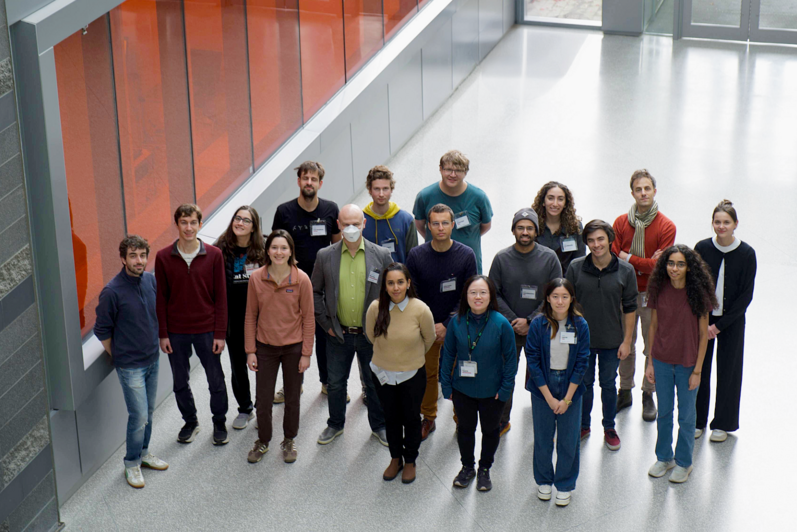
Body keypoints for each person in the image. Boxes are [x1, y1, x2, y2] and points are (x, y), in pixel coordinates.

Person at [312, 204, 393, 445]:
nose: (350, 229)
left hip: (371, 335)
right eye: (345, 224)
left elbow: (393, 292)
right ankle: (335, 424)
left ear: (364, 224)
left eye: (355, 224)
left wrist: (382, 325)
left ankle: (379, 425)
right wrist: (326, 324)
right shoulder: (325, 256)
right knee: (336, 383)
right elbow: (315, 292)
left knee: (374, 382)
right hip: (338, 333)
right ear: (338, 224)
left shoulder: (381, 255)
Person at [95, 235, 168, 489]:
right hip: (130, 367)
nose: (139, 260)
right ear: (123, 258)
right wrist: (119, 355)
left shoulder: (150, 280)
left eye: (142, 255)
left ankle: (144, 453)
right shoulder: (112, 291)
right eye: (133, 255)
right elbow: (102, 331)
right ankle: (131, 463)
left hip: (152, 359)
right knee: (138, 416)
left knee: (148, 412)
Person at [155, 204, 229, 446]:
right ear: (177, 224)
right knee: (180, 382)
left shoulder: (215, 255)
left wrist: (220, 333)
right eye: (183, 222)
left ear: (200, 224)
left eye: (193, 222)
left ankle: (219, 422)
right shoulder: (163, 257)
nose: (188, 227)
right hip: (176, 332)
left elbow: (221, 297)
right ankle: (191, 421)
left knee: (215, 379)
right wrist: (163, 334)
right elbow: (161, 298)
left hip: (207, 329)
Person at [406, 204, 478, 440]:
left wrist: (447, 324)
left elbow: (469, 294)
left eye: (445, 223)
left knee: (459, 374)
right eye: (435, 223)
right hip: (426, 329)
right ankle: (428, 417)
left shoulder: (466, 254)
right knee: (427, 375)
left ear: (452, 225)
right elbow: (412, 294)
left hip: (457, 327)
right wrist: (430, 326)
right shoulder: (416, 255)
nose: (440, 228)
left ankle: (461, 420)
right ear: (427, 226)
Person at [645, 245, 715, 484]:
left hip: (687, 364)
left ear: (689, 267)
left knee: (686, 416)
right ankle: (664, 457)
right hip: (662, 361)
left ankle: (684, 462)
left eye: (680, 264)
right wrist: (650, 363)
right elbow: (653, 327)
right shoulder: (658, 289)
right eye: (671, 263)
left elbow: (703, 334)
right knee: (664, 413)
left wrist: (698, 370)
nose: (674, 269)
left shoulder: (699, 293)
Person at [439, 276, 517, 492]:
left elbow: (511, 360)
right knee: (465, 429)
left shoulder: (502, 324)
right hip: (462, 389)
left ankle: (484, 469)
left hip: (492, 392)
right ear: (466, 295)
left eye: (483, 292)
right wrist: (445, 385)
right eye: (473, 292)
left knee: (491, 431)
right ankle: (467, 467)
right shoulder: (456, 322)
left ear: (491, 295)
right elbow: (448, 354)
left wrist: (505, 390)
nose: (478, 297)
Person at [488, 208, 561, 436]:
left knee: (541, 378)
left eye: (530, 228)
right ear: (513, 230)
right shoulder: (501, 258)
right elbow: (493, 293)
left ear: (536, 231)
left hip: (540, 331)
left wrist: (531, 321)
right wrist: (514, 321)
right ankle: (501, 421)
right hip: (508, 331)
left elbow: (556, 294)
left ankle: (543, 420)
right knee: (505, 377)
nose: (525, 232)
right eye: (520, 227)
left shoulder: (549, 258)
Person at [565, 220, 637, 451]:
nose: (596, 245)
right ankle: (583, 425)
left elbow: (630, 308)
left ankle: (609, 427)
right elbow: (566, 303)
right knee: (583, 384)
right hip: (581, 342)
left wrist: (627, 341)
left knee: (608, 384)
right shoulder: (576, 268)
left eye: (600, 239)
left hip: (611, 341)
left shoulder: (626, 270)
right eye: (591, 241)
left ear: (610, 240)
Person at [272, 161, 342, 401]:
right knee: (292, 338)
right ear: (299, 181)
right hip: (291, 285)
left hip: (322, 287)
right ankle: (293, 384)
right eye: (305, 178)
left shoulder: (331, 209)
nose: (309, 182)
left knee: (325, 336)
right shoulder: (284, 212)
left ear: (320, 183)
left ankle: (328, 383)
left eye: (313, 179)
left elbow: (338, 246)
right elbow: (275, 247)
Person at [245, 230, 315, 464]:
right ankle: (263, 440)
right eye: (274, 247)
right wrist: (250, 350)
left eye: (283, 248)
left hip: (293, 348)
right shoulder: (256, 278)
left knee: (292, 398)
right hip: (265, 348)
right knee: (263, 400)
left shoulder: (301, 279)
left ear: (290, 251)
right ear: (267, 250)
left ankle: (289, 439)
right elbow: (250, 316)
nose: (279, 252)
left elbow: (308, 319)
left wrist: (306, 353)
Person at [612, 169, 676, 421]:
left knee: (652, 346)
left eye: (647, 188)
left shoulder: (666, 226)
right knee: (625, 343)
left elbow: (661, 267)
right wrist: (644, 262)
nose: (643, 193)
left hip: (653, 294)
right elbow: (615, 259)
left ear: (654, 191)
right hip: (625, 293)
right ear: (632, 193)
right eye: (638, 189)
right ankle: (624, 390)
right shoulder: (619, 223)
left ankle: (648, 393)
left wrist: (629, 258)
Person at [365, 263, 435, 484]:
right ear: (384, 286)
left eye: (400, 282)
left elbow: (429, 338)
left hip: (411, 375)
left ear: (408, 284)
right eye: (390, 283)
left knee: (411, 419)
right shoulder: (375, 308)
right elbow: (370, 336)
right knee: (391, 418)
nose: (396, 287)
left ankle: (410, 460)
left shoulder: (420, 309)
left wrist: (408, 358)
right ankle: (395, 458)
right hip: (383, 374)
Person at [694, 200, 756, 443]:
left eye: (726, 222)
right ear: (712, 223)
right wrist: (704, 321)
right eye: (717, 222)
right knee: (700, 368)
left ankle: (723, 423)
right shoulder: (701, 248)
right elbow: (695, 285)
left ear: (735, 224)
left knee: (729, 370)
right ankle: (697, 420)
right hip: (702, 318)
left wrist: (719, 326)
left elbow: (745, 296)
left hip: (732, 321)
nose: (721, 226)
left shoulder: (747, 254)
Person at [526, 278, 589, 507]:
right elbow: (532, 362)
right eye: (555, 296)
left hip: (570, 385)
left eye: (565, 296)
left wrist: (567, 399)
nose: (560, 301)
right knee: (543, 437)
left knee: (569, 439)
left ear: (572, 298)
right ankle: (543, 480)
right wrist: (549, 397)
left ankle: (564, 484)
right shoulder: (538, 324)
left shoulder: (580, 324)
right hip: (543, 385)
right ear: (548, 299)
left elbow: (582, 362)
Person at [214, 206, 266, 430]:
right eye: (238, 218)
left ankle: (263, 407)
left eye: (246, 220)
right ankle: (245, 408)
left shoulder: (263, 249)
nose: (240, 223)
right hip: (233, 320)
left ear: (254, 227)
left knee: (263, 365)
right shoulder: (220, 249)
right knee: (238, 366)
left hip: (260, 319)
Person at [412, 150, 493, 273]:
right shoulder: (425, 196)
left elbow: (486, 226)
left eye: (458, 171)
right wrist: (438, 238)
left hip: (468, 265)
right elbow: (420, 225)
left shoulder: (479, 197)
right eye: (448, 169)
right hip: (435, 262)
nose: (453, 175)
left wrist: (467, 236)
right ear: (440, 169)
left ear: (465, 172)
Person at [363, 165, 419, 263]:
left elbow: (414, 259)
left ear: (391, 189)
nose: (381, 194)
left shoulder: (406, 220)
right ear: (369, 190)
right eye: (376, 189)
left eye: (385, 189)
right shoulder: (360, 221)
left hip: (400, 277)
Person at [532, 181, 586, 274]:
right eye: (550, 198)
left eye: (560, 199)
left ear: (565, 203)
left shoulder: (575, 227)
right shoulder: (532, 225)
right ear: (543, 201)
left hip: (566, 283)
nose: (555, 204)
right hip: (537, 280)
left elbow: (579, 261)